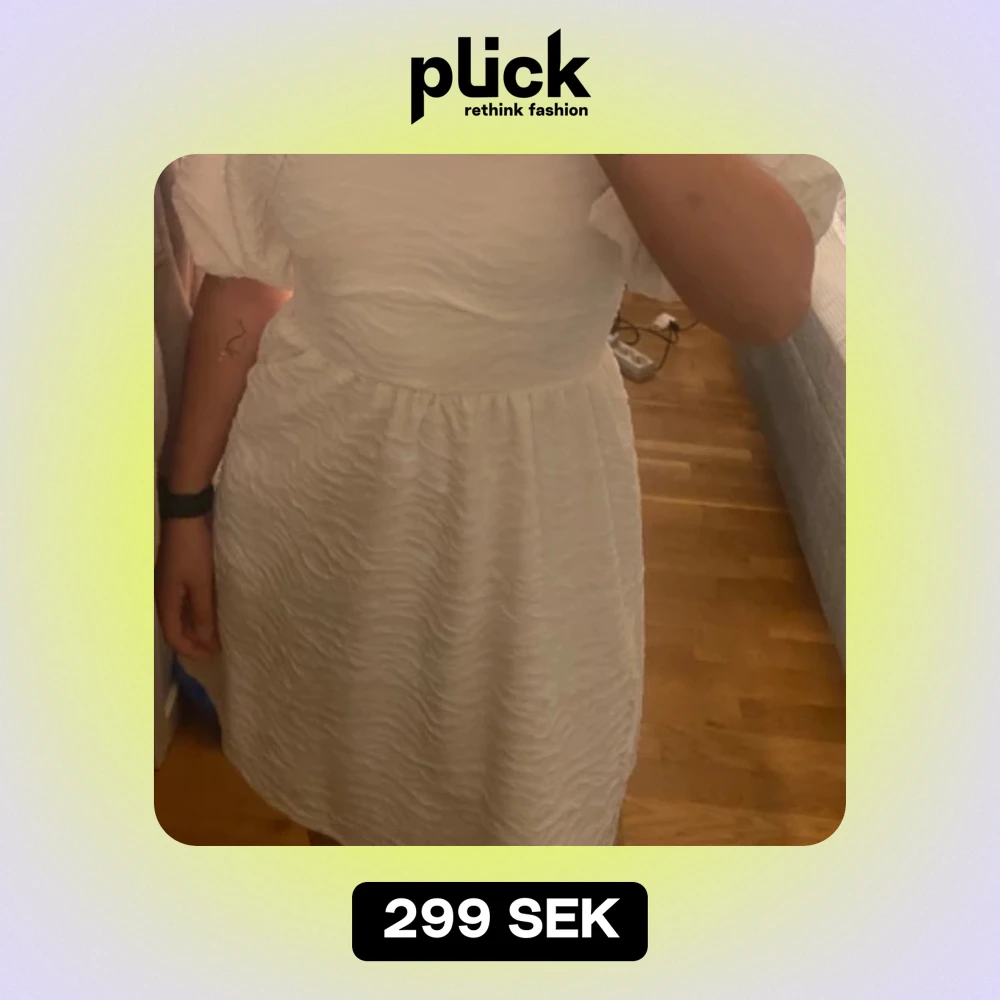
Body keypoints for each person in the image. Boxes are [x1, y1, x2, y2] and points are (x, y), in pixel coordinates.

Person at [155, 154, 838, 846]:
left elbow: (767, 298)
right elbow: (243, 284)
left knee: (540, 805)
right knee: (341, 790)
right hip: (318, 506)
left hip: (536, 523)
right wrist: (186, 506)